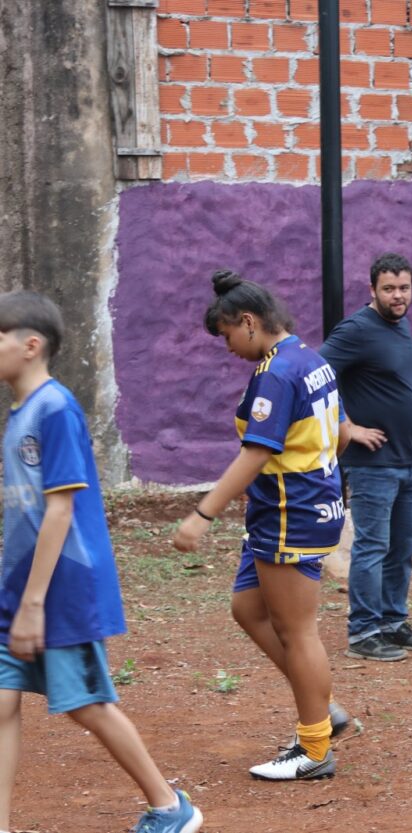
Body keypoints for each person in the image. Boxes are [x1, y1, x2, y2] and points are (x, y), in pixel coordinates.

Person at [0, 291, 202, 833]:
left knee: (85, 703)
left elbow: (61, 511)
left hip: (61, 591)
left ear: (31, 345)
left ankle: (170, 807)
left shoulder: (55, 409)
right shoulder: (19, 415)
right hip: (19, 590)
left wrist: (35, 604)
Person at [173, 271, 347, 780]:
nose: (227, 348)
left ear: (248, 322)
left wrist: (202, 514)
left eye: (227, 335)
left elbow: (256, 451)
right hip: (292, 508)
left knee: (297, 631)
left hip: (292, 513)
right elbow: (335, 435)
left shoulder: (276, 372)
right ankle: (324, 706)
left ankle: (314, 748)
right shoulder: (309, 359)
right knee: (248, 607)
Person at [320, 253, 412, 663]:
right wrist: (348, 427)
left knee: (403, 545)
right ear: (373, 290)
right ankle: (363, 631)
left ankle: (392, 621)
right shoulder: (356, 329)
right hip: (373, 464)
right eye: (389, 288)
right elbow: (316, 375)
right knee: (372, 546)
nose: (398, 295)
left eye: (404, 287)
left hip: (407, 459)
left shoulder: (399, 325)